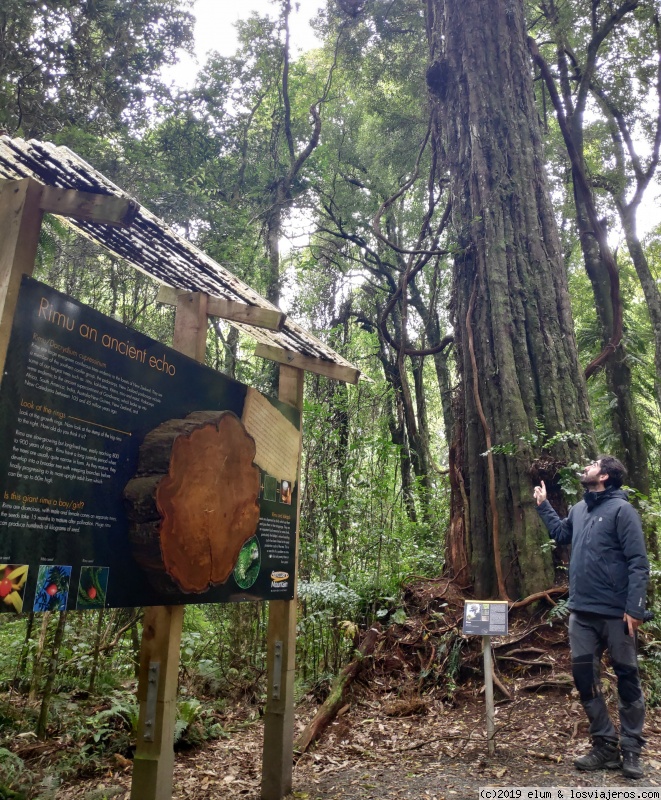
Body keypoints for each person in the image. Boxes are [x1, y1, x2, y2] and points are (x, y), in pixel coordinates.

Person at [534, 456, 649, 780]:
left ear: (607, 475)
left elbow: (638, 562)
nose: (586, 465)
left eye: (594, 464)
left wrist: (635, 608)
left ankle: (631, 750)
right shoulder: (579, 509)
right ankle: (604, 745)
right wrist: (544, 506)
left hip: (616, 615)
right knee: (585, 680)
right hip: (581, 613)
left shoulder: (622, 511)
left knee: (627, 680)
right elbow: (561, 534)